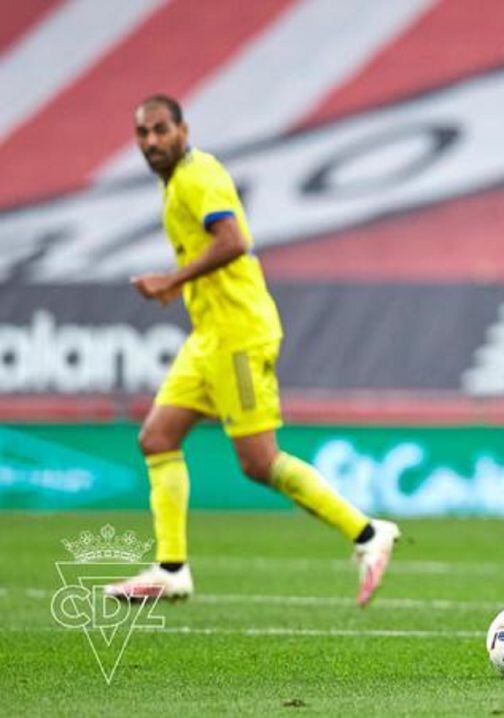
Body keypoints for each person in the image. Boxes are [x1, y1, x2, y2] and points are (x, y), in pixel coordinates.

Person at [106, 95, 399, 606]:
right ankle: (172, 568)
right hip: (210, 336)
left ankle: (368, 533)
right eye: (143, 133)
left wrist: (172, 280)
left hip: (240, 334)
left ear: (182, 129)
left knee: (259, 462)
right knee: (157, 438)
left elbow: (234, 240)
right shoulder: (178, 182)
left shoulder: (199, 176)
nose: (151, 141)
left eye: (159, 130)